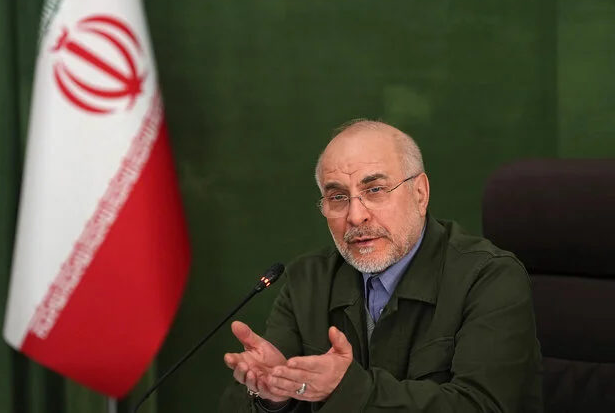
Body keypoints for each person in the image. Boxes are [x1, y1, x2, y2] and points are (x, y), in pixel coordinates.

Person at [219, 119, 542, 413]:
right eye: (338, 197)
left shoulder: (489, 277)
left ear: (420, 194)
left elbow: (482, 405)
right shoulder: (307, 279)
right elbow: (241, 402)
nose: (355, 216)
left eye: (374, 190)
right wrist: (274, 395)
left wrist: (348, 389)